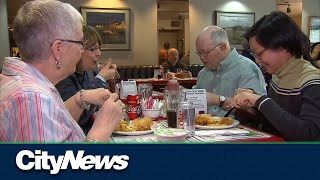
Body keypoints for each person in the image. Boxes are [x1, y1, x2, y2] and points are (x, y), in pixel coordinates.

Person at [0, 0, 123, 142]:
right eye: (79, 43)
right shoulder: (32, 98)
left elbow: (55, 119)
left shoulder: (23, 83)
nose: (81, 50)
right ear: (58, 49)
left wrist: (81, 97)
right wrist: (103, 127)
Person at [233, 11, 320, 141]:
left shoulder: (312, 82)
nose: (257, 61)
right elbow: (276, 123)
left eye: (259, 53)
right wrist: (250, 108)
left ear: (283, 46)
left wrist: (260, 101)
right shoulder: (278, 75)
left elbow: (309, 135)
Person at [55, 25, 118, 134]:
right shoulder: (62, 76)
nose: (99, 53)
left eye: (99, 48)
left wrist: (108, 75)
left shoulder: (89, 71)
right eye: (93, 49)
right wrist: (101, 78)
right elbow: (79, 120)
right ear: (77, 50)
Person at [194, 25, 267, 118]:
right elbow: (196, 101)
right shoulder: (203, 73)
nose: (201, 57)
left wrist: (219, 100)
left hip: (238, 130)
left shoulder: (247, 68)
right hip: (204, 129)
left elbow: (254, 113)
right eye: (199, 53)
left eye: (205, 52)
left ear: (223, 47)